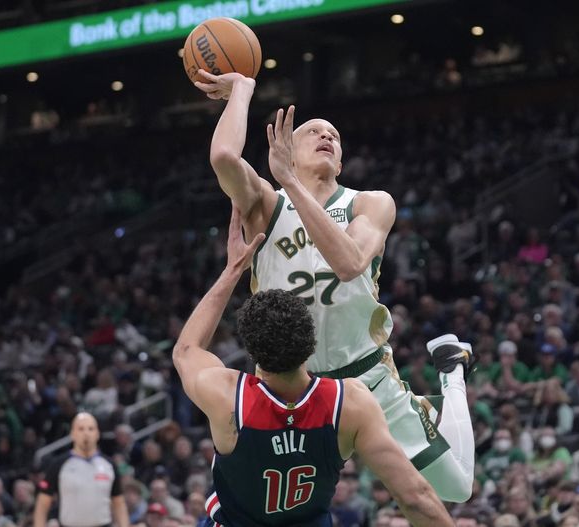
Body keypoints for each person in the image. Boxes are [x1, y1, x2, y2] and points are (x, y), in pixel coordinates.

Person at [194, 70, 474, 502]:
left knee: (456, 490)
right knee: (265, 503)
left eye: (334, 136)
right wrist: (243, 91)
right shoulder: (265, 205)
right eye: (312, 132)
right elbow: (223, 158)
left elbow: (349, 263)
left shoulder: (370, 203)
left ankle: (452, 373)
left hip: (366, 377)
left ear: (340, 163)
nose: (326, 135)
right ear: (287, 150)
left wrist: (290, 181)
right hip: (289, 386)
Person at [172, 207, 453, 526]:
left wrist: (234, 269)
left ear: (253, 353)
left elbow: (185, 351)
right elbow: (416, 498)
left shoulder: (226, 396)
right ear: (310, 342)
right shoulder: (349, 403)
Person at [33, 412, 130, 527]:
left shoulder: (109, 465)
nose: (86, 433)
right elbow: (43, 502)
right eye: (81, 429)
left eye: (90, 429)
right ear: (72, 434)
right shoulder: (59, 464)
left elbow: (119, 502)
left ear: (97, 434)